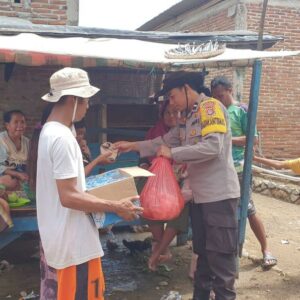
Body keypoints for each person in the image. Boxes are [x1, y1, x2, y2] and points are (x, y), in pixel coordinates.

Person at [115, 71, 240, 300]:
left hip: (219, 197)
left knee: (221, 260)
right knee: (202, 256)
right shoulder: (188, 116)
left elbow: (213, 147)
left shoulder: (210, 107)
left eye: (172, 96)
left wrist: (173, 153)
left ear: (186, 88)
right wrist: (131, 145)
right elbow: (162, 142)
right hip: (200, 198)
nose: (171, 103)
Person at [36, 67, 143, 300]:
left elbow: (70, 188)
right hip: (73, 246)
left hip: (61, 239)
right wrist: (116, 206)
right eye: (86, 101)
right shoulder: (62, 139)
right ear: (74, 99)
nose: (87, 107)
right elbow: (69, 196)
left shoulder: (50, 132)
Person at [211, 75, 277, 269]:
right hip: (220, 169)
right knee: (226, 212)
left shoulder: (242, 110)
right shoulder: (215, 111)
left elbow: (252, 139)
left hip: (239, 168)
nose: (218, 100)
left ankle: (266, 250)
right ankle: (229, 253)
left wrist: (226, 140)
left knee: (248, 209)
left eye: (221, 96)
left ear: (230, 91)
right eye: (215, 97)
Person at [138, 100, 190, 271]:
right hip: (157, 181)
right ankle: (163, 246)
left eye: (176, 112)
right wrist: (146, 165)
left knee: (182, 202)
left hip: (182, 179)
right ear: (162, 115)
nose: (172, 116)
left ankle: (159, 249)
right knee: (145, 194)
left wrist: (178, 172)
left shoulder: (186, 132)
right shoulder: (155, 132)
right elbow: (145, 158)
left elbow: (191, 158)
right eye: (168, 113)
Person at [0, 110, 29, 189]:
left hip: (22, 176)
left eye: (22, 122)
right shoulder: (2, 141)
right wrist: (17, 174)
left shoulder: (27, 142)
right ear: (7, 125)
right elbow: (1, 167)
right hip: (5, 176)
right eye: (16, 122)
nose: (20, 125)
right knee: (6, 181)